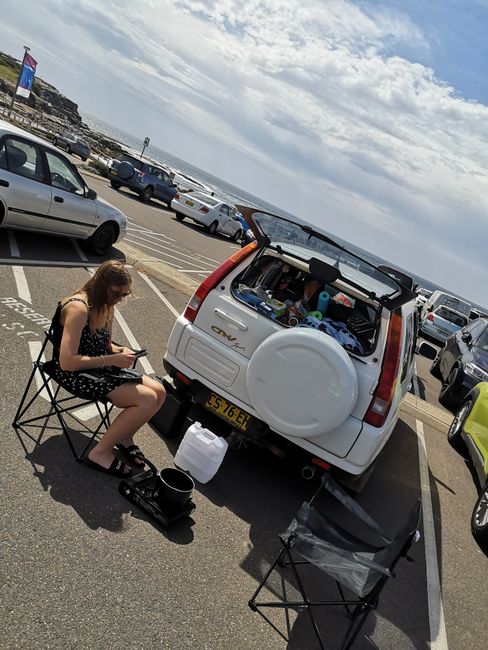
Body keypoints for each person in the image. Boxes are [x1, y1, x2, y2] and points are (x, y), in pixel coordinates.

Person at [51, 260, 166, 477]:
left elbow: (105, 345)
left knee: (160, 392)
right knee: (147, 399)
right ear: (100, 284)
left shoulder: (106, 307)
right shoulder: (78, 308)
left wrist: (120, 351)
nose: (119, 299)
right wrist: (110, 359)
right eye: (116, 293)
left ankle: (125, 437)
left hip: (98, 368)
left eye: (124, 295)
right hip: (75, 374)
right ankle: (100, 453)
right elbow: (67, 362)